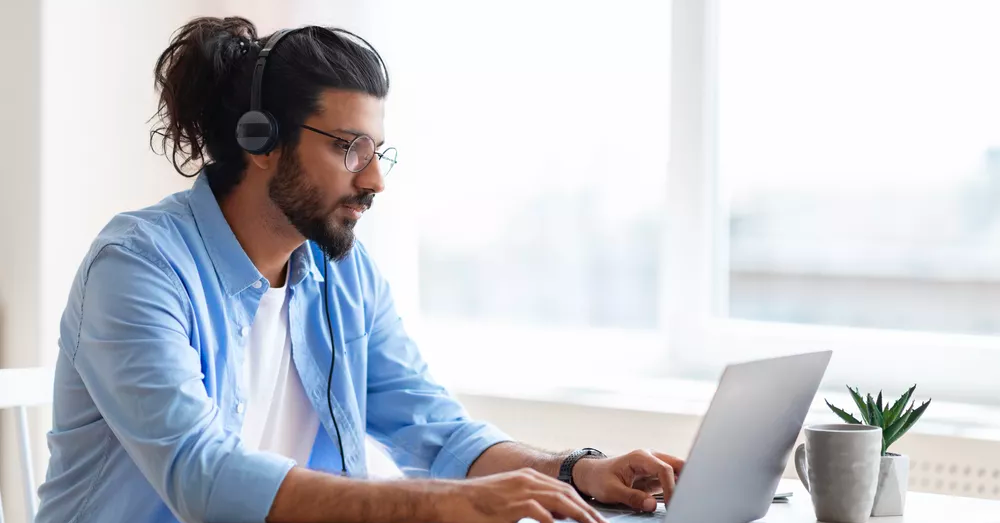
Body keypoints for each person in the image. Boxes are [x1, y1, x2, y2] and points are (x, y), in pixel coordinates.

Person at [34, 16, 684, 523]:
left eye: (378, 152)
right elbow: (204, 477)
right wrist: (447, 505)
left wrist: (573, 469)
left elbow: (434, 429)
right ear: (261, 140)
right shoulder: (139, 267)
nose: (373, 180)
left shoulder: (339, 270)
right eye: (349, 148)